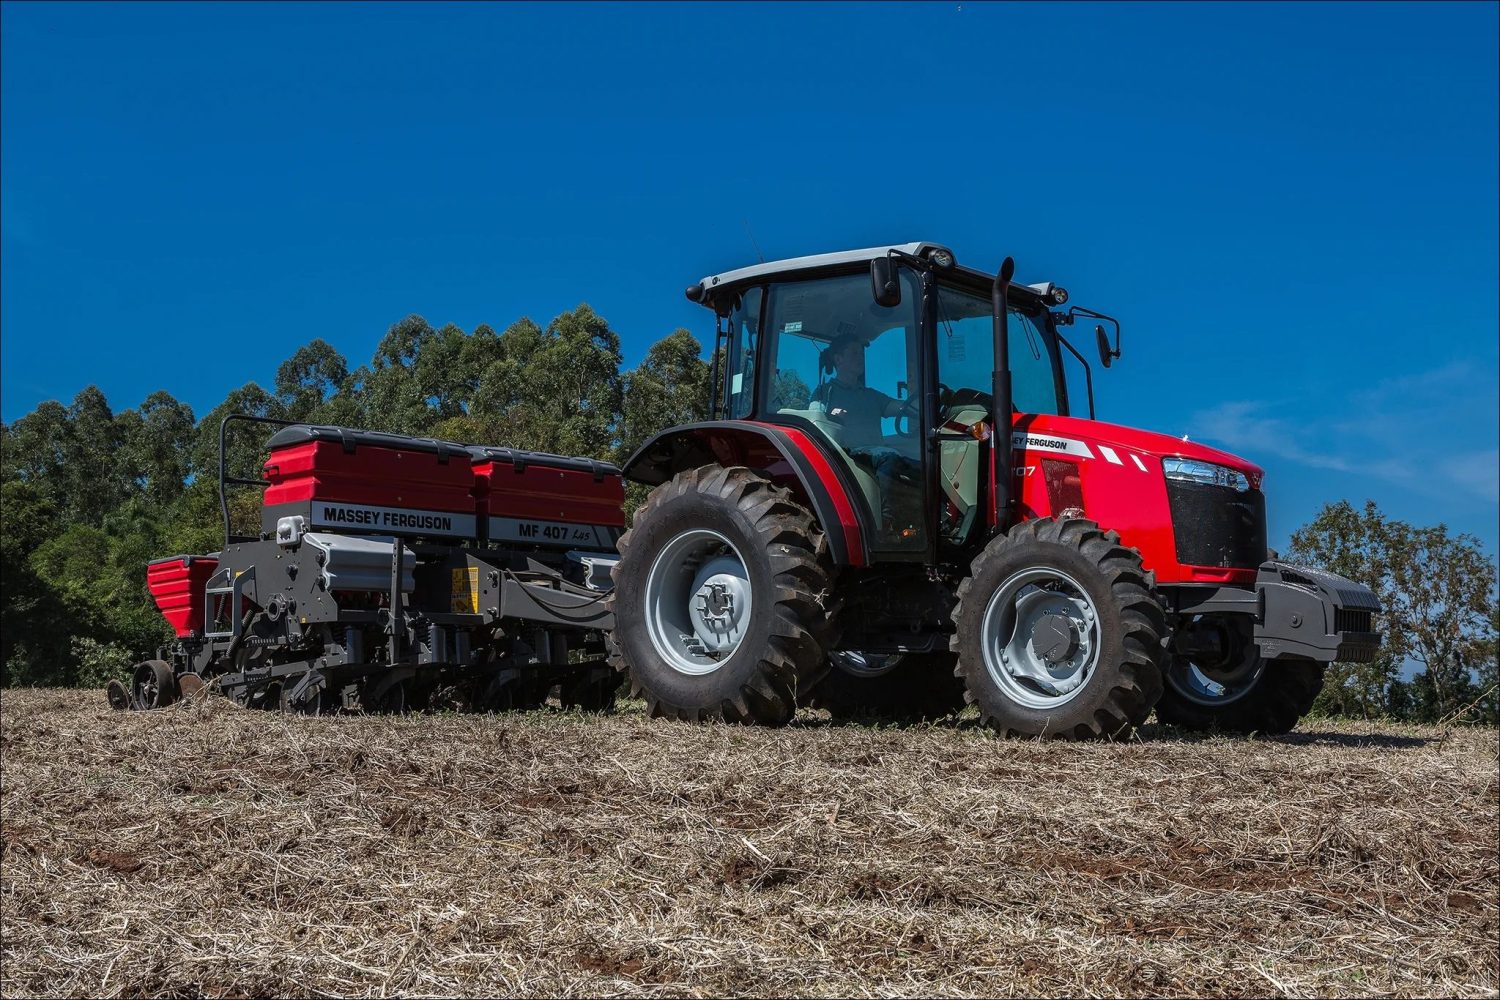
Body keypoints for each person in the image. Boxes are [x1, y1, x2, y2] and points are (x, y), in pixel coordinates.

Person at [816, 335, 921, 540]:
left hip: (876, 451)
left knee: (921, 463)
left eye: (862, 353)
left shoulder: (871, 395)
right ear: (838, 360)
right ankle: (886, 523)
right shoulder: (825, 392)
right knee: (889, 458)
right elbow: (816, 420)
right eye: (854, 353)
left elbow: (899, 407)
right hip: (847, 454)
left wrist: (922, 408)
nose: (861, 358)